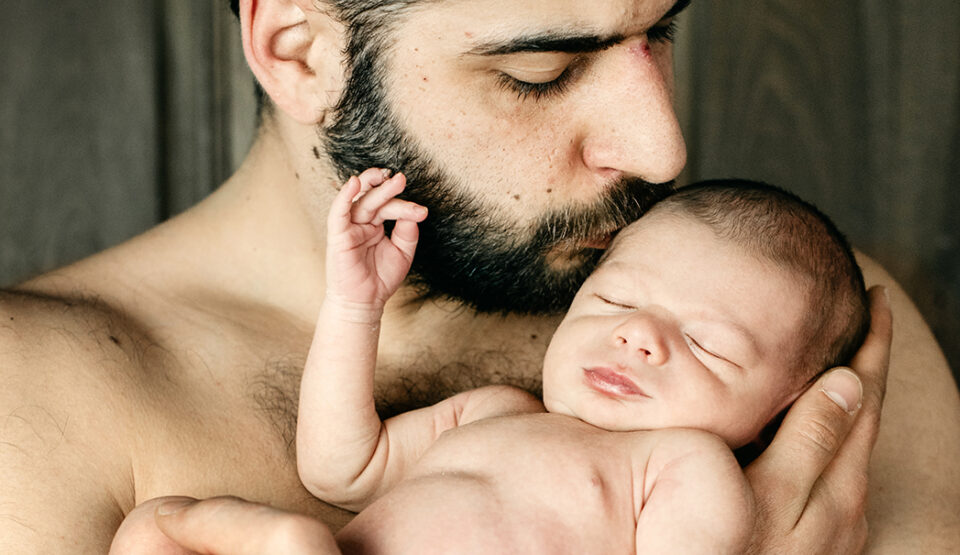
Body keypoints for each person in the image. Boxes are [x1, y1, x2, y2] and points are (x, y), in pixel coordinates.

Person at [1, 0, 960, 552]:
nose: (661, 149)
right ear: (298, 47)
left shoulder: (804, 334)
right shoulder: (39, 404)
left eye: (659, 32)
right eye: (541, 68)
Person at [112, 174, 871, 553]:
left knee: (293, 542)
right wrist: (354, 305)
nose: (639, 337)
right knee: (156, 528)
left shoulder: (682, 465)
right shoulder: (494, 409)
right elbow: (338, 469)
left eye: (708, 344)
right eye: (613, 302)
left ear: (783, 408)